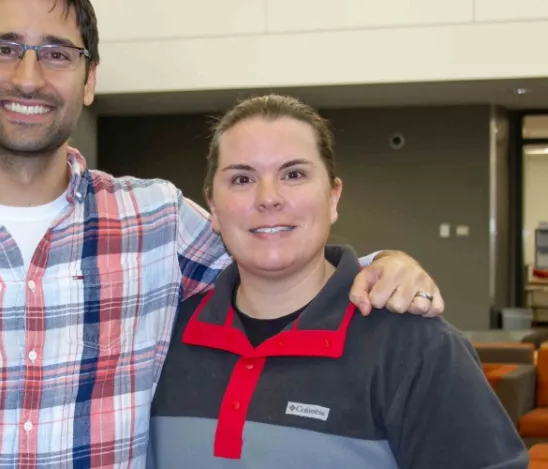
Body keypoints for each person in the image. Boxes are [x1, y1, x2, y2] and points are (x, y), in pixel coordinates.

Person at [0, 0, 445, 467]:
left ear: (90, 79)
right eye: (3, 48)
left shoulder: (155, 219)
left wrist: (383, 263)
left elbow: (272, 248)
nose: (27, 76)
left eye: (56, 54)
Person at [149, 94, 528, 469]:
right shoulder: (159, 339)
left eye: (293, 174)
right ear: (213, 208)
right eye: (242, 178)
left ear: (333, 197)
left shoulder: (418, 348)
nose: (268, 198)